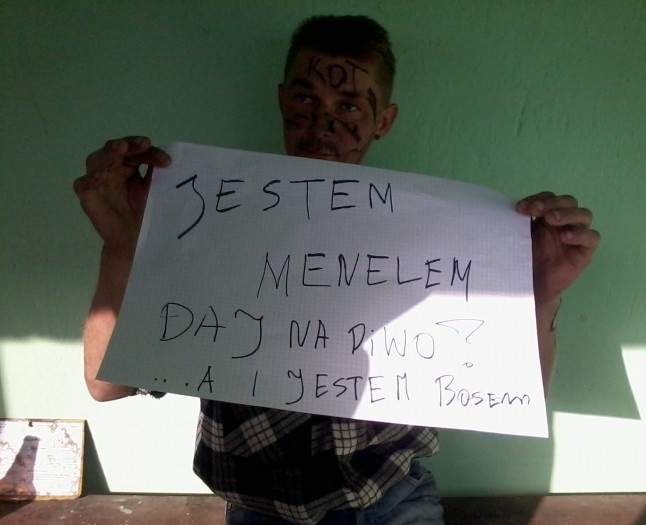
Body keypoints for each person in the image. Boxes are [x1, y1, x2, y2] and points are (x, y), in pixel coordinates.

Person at [73, 15, 599, 525]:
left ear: (383, 121)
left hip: (391, 503)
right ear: (282, 100)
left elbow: (513, 392)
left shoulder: (435, 241)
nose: (323, 124)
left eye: (348, 105)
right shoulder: (209, 222)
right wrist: (122, 247)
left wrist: (540, 295)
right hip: (257, 511)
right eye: (306, 99)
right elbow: (106, 384)